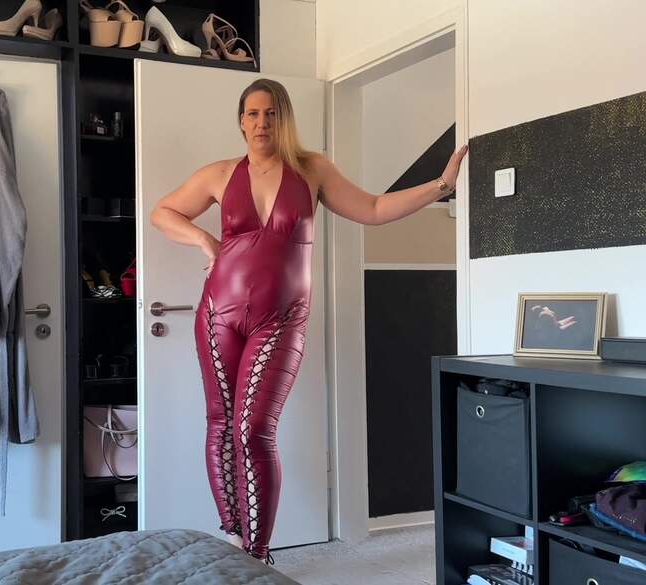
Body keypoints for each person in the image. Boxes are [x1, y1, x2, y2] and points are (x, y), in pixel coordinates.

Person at [150, 78, 468, 563]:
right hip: (217, 314)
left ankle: (257, 553)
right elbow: (163, 212)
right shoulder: (220, 173)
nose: (262, 122)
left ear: (284, 118)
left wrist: (441, 186)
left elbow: (374, 208)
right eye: (253, 113)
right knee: (221, 424)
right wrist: (206, 241)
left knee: (253, 429)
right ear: (241, 121)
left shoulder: (312, 170)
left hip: (280, 320)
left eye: (271, 113)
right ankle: (233, 538)